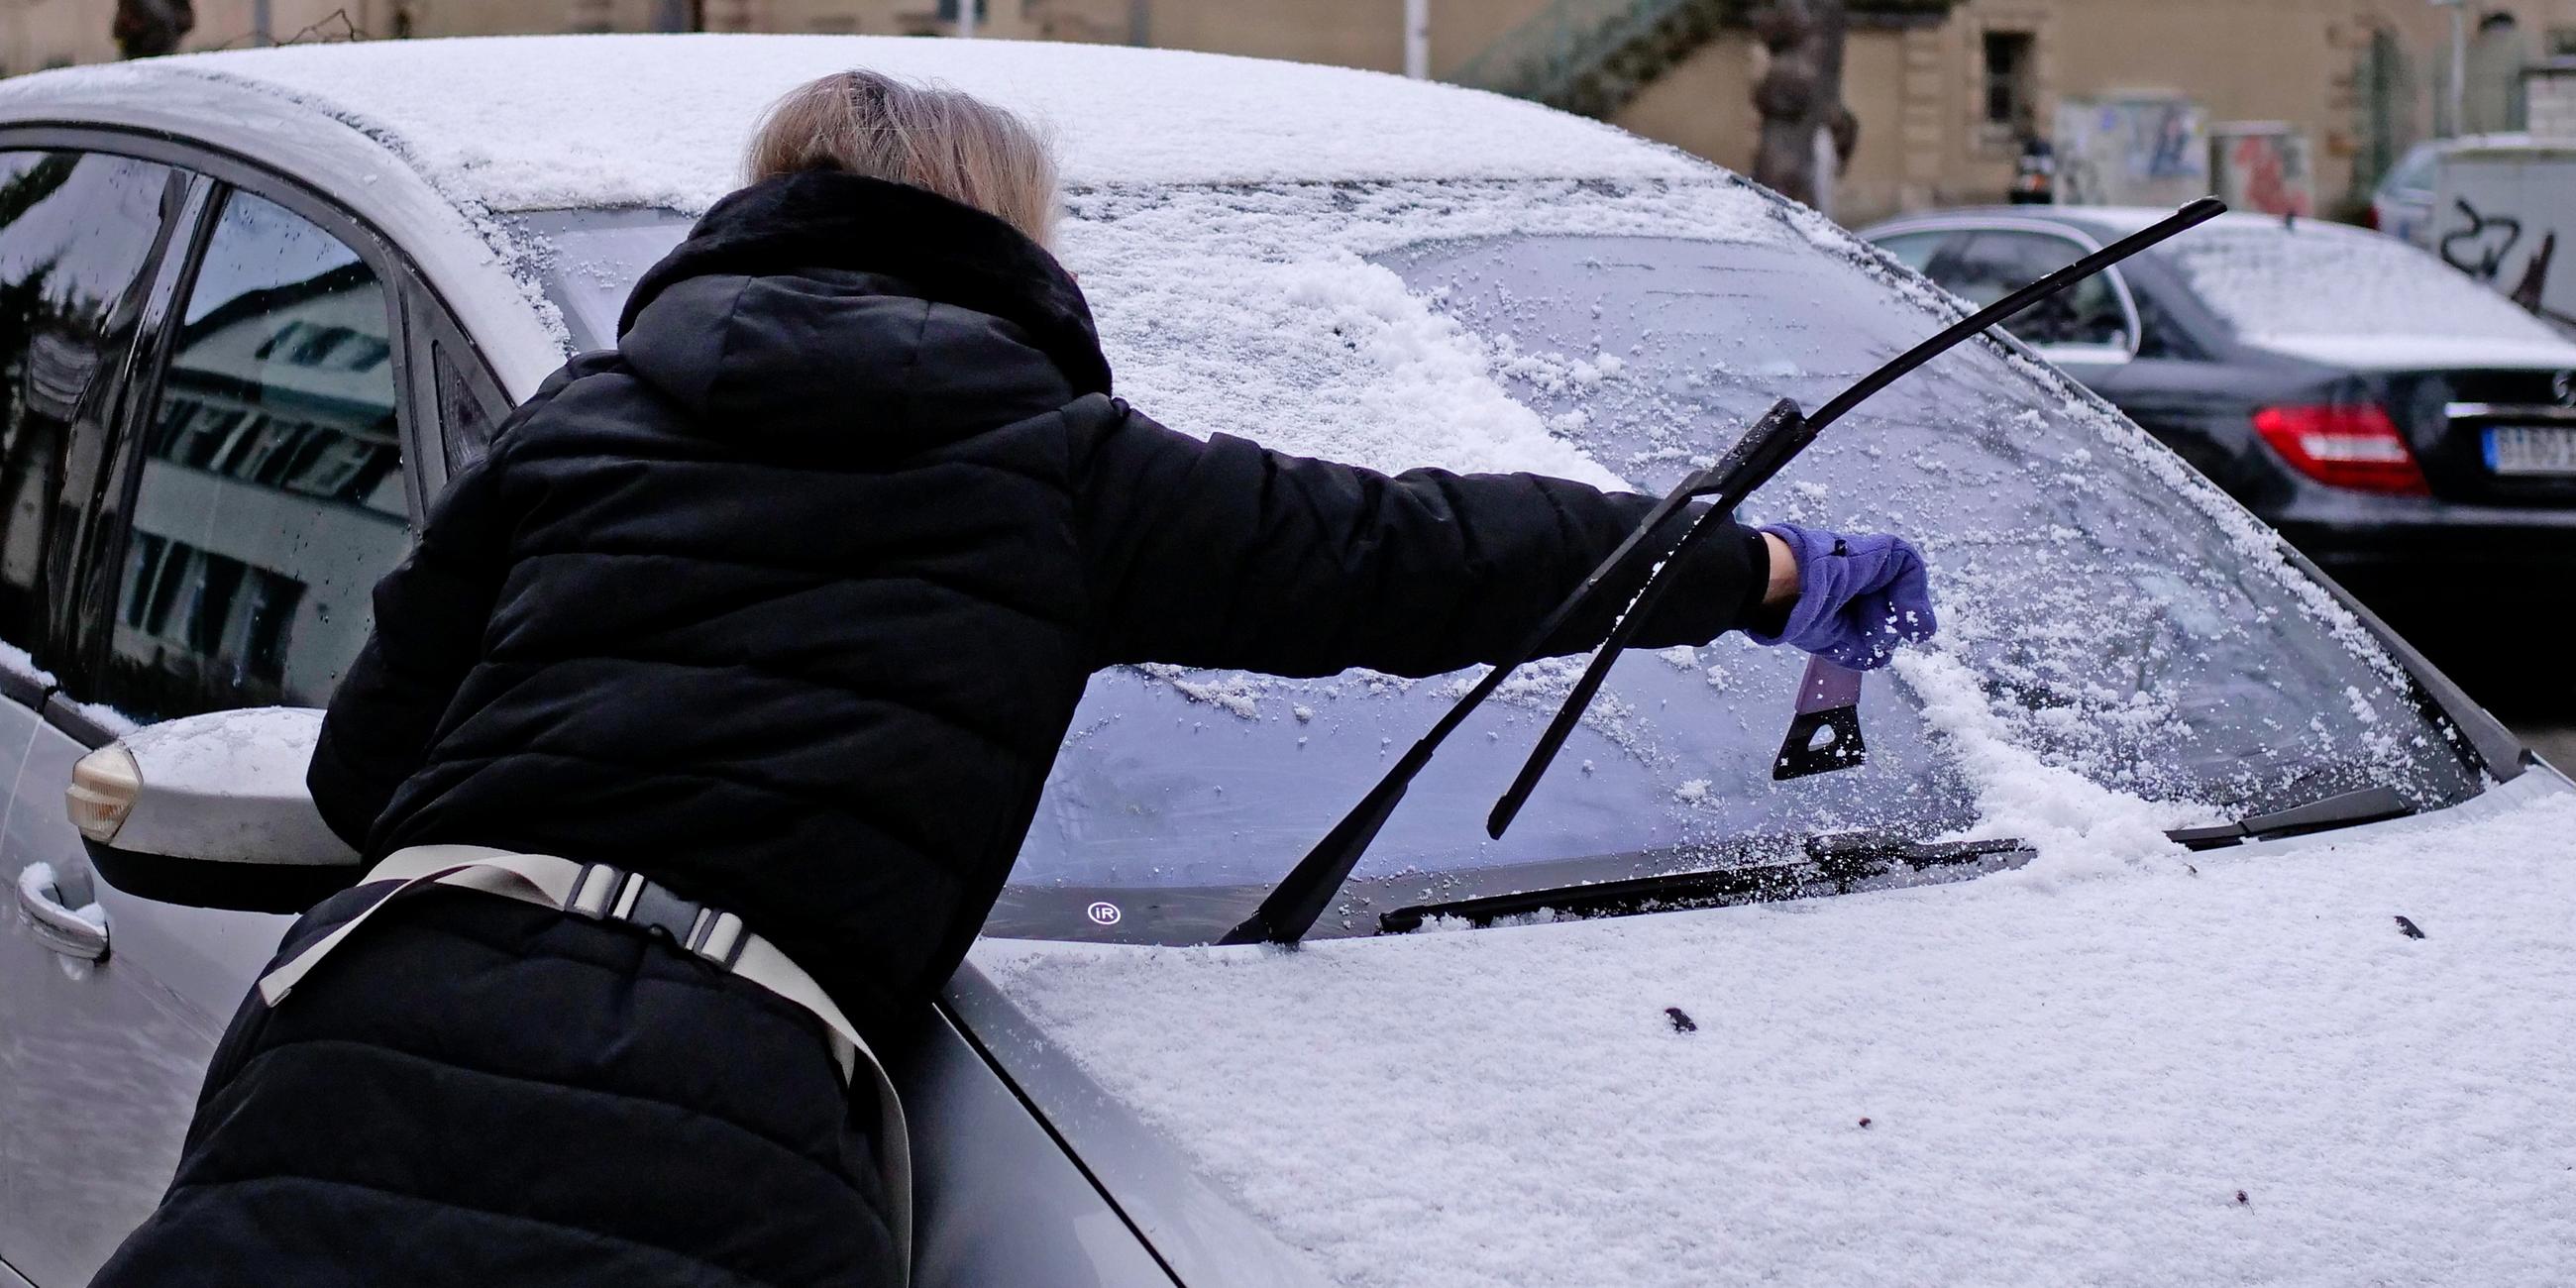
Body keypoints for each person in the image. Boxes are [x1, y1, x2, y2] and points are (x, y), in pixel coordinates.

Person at [90, 70, 1935, 1288]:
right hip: (728, 1116)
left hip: (348, 1049)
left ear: (768, 209)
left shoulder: (587, 419)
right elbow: (1418, 551)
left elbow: (357, 777)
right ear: (1015, 239)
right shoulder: (1067, 472)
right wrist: (1758, 571)